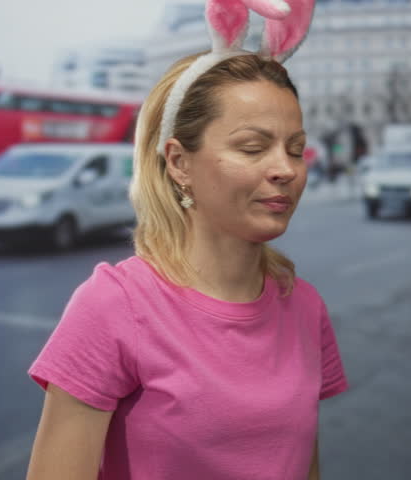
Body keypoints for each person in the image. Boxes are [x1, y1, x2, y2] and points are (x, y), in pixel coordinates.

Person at [26, 1, 347, 479]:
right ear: (178, 162)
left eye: (295, 149)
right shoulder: (113, 306)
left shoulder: (305, 306)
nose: (285, 169)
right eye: (253, 147)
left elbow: (303, 466)